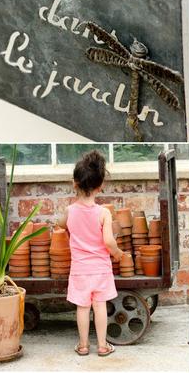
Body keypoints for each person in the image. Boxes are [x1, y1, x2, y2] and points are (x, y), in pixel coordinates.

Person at [57, 150, 123, 356]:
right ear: (100, 186)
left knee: (82, 308)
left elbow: (60, 225)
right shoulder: (103, 213)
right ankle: (103, 346)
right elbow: (109, 241)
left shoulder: (70, 211)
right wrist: (118, 253)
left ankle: (83, 345)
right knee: (100, 306)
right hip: (101, 269)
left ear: (74, 184)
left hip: (79, 269)